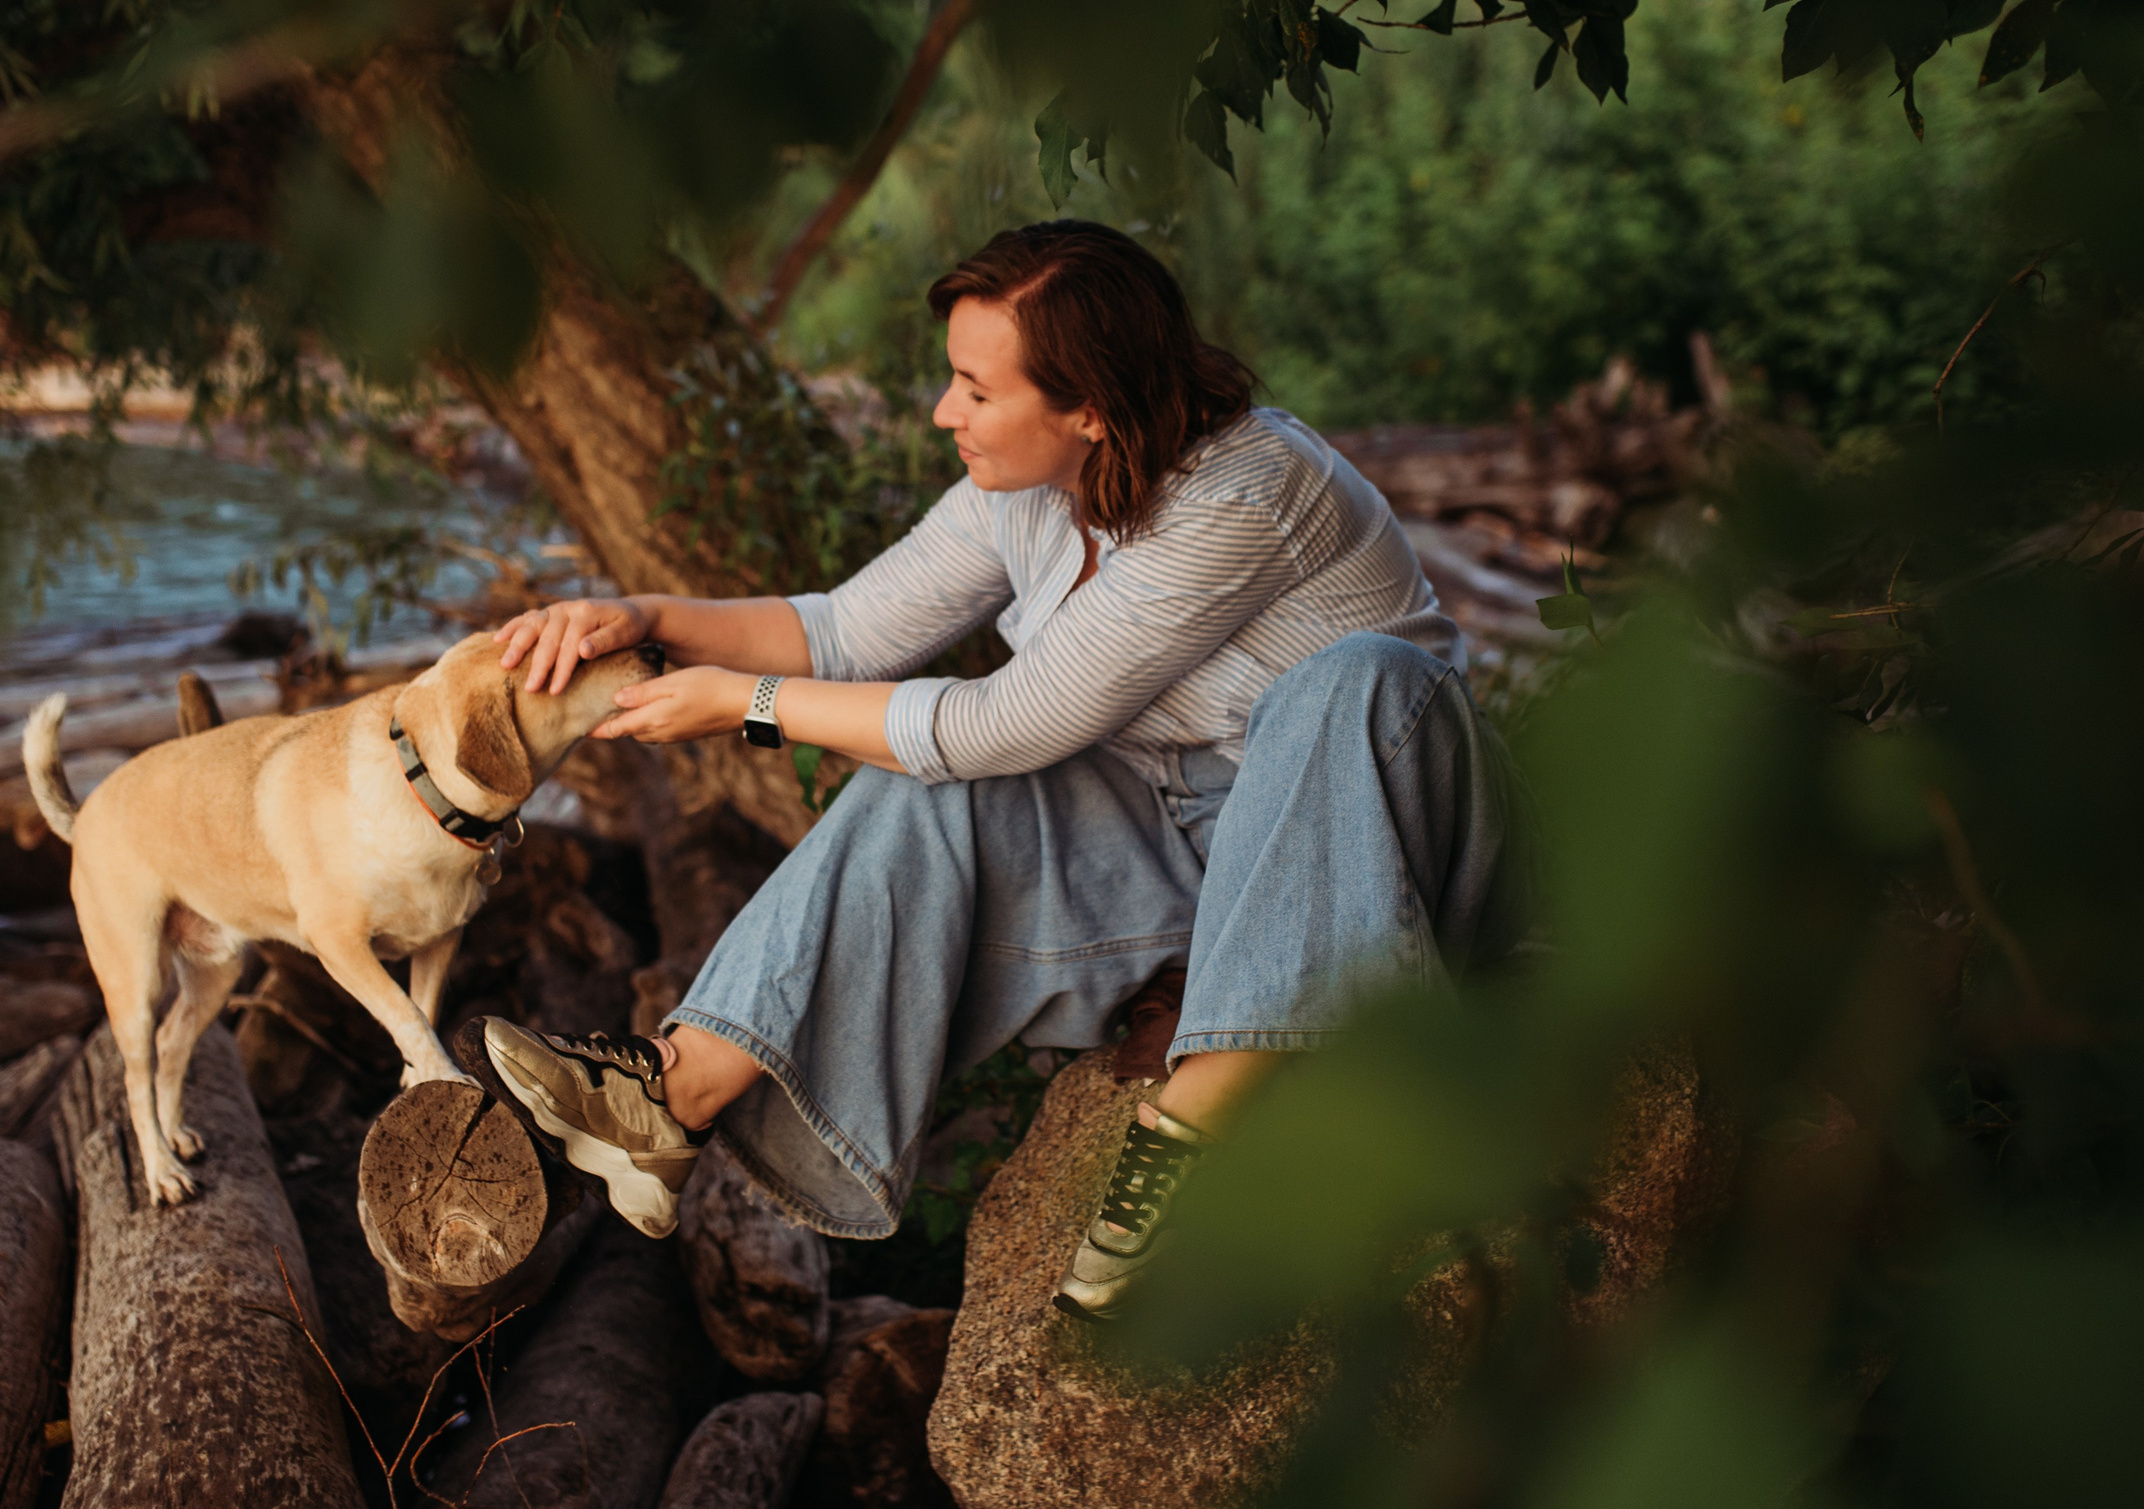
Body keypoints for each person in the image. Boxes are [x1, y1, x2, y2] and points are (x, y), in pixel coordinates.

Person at [462, 220, 1521, 1322]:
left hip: (1388, 853)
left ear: (1091, 408)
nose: (942, 412)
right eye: (949, 380)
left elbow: (1001, 721)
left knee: (1349, 680)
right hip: (1188, 853)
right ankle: (671, 1095)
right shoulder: (1031, 482)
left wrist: (748, 705)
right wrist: (647, 615)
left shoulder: (1247, 493)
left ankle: (1199, 1127)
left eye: (974, 388)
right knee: (922, 786)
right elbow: (844, 629)